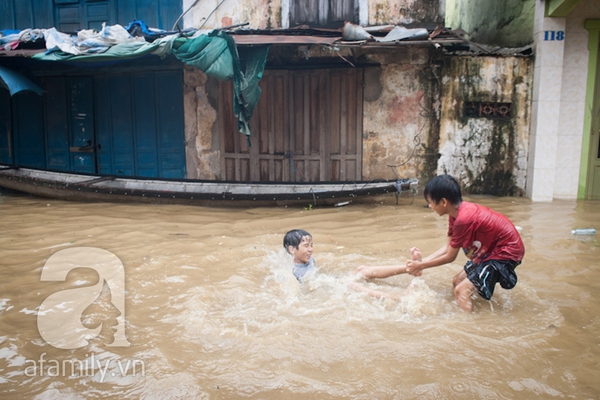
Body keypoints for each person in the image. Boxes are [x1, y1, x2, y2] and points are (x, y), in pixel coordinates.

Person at [356, 174, 525, 312]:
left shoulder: (463, 219)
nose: (430, 206)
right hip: (491, 250)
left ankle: (467, 328)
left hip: (505, 253)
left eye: (431, 202)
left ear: (444, 202)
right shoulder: (455, 214)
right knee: (456, 281)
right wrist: (421, 263)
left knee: (461, 291)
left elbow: (450, 257)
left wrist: (420, 266)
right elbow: (446, 248)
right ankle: (471, 306)